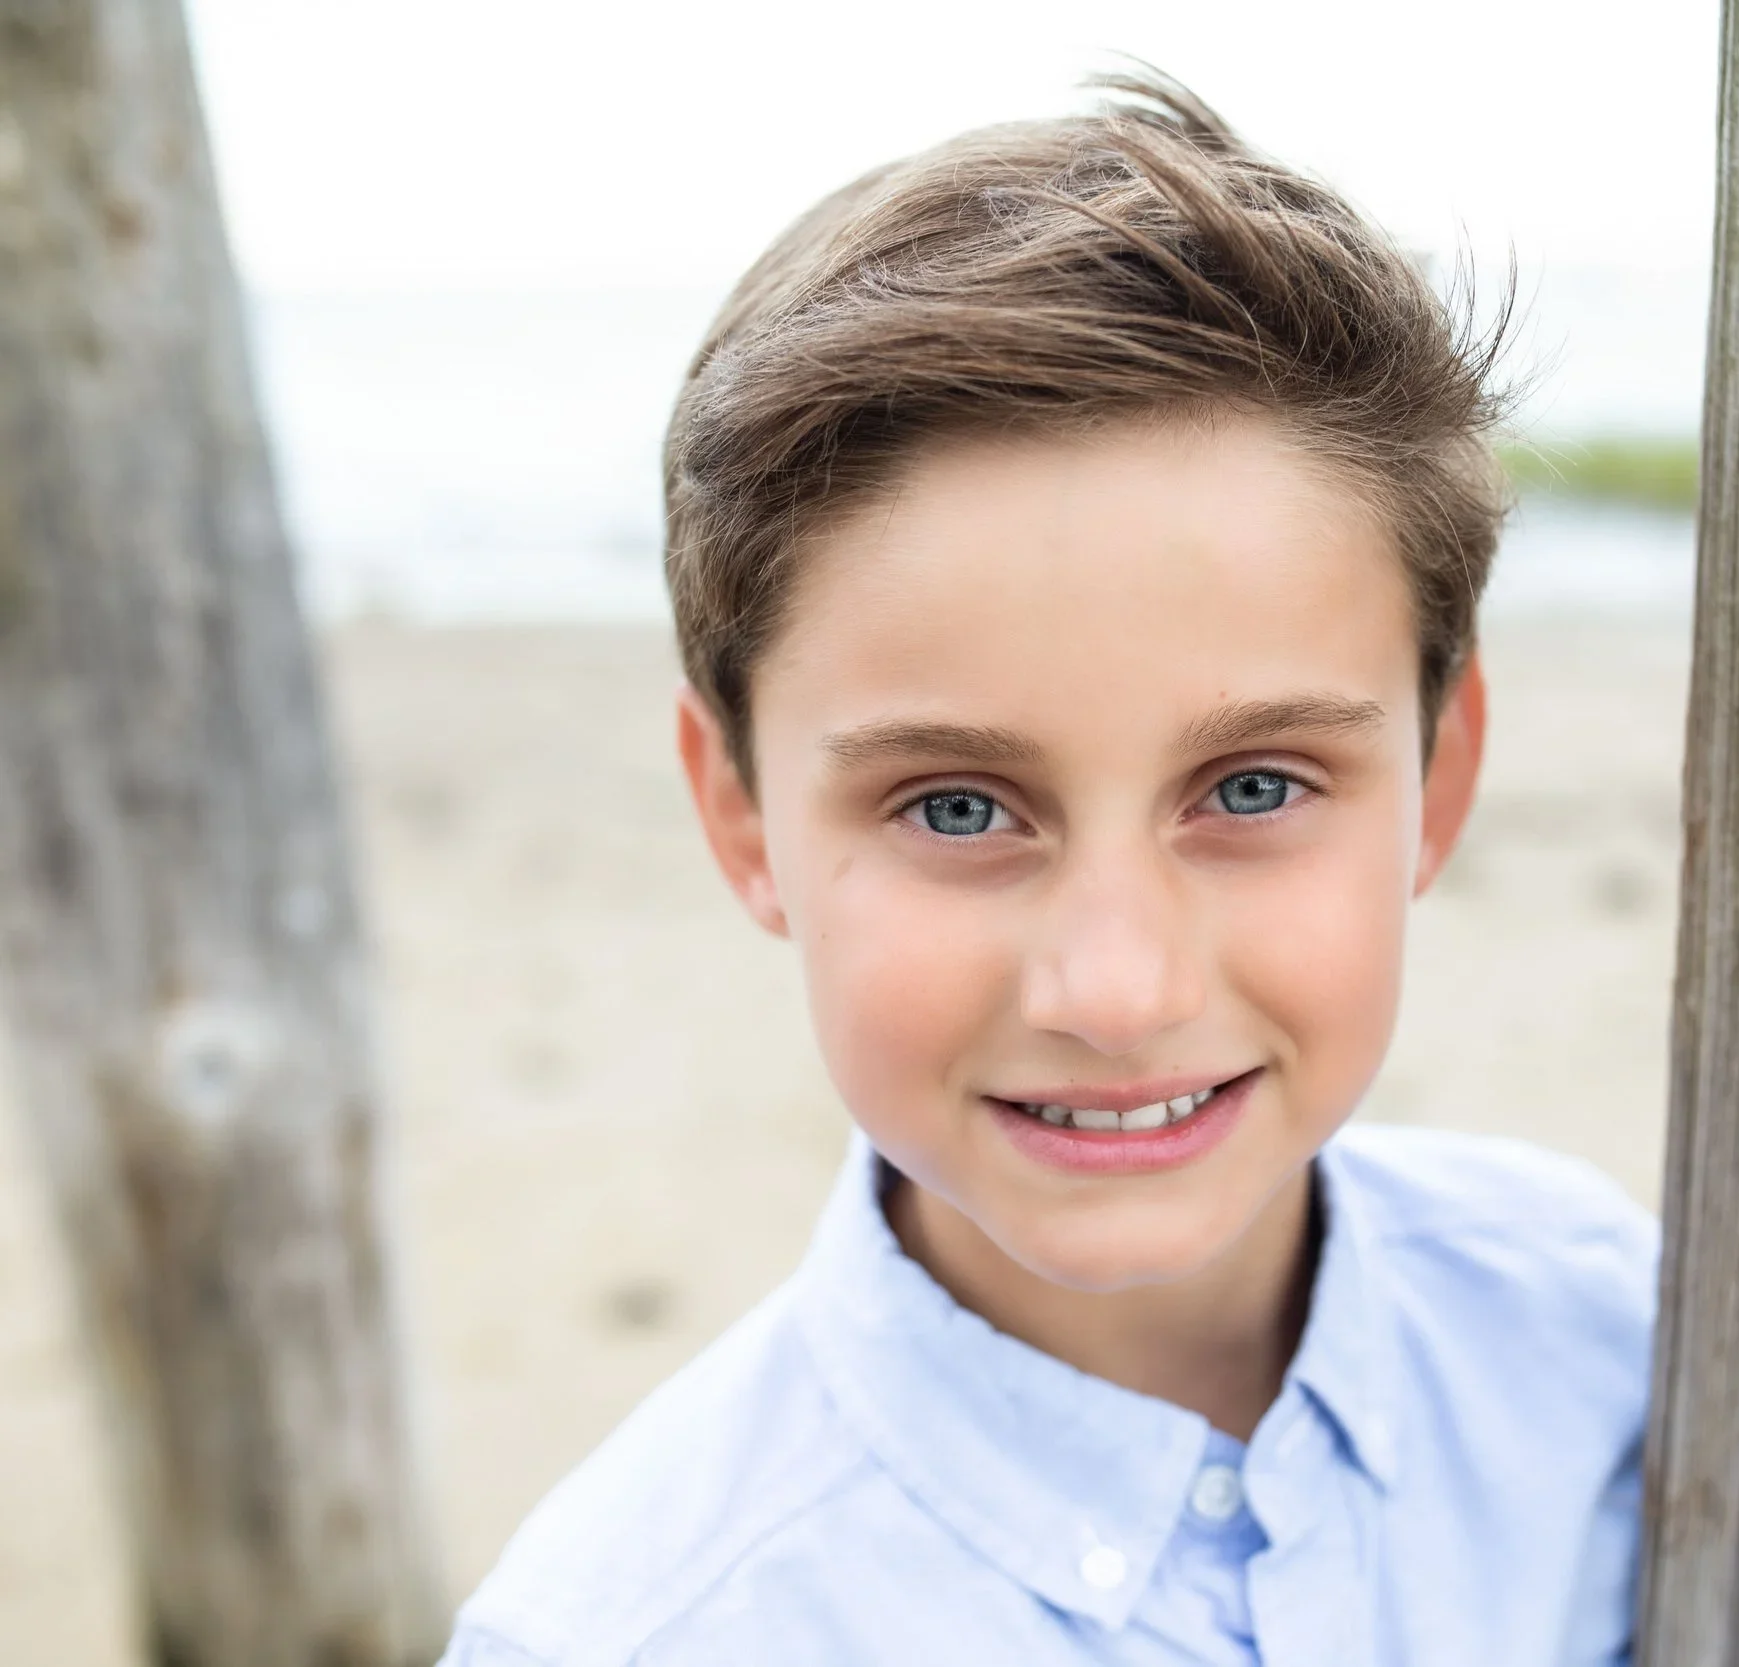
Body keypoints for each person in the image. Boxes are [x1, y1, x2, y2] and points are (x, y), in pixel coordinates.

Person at [440, 72, 1658, 1666]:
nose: (1119, 986)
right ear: (741, 814)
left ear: (1440, 775)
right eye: (957, 809)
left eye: (1257, 783)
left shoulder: (1605, 1342)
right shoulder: (636, 1631)